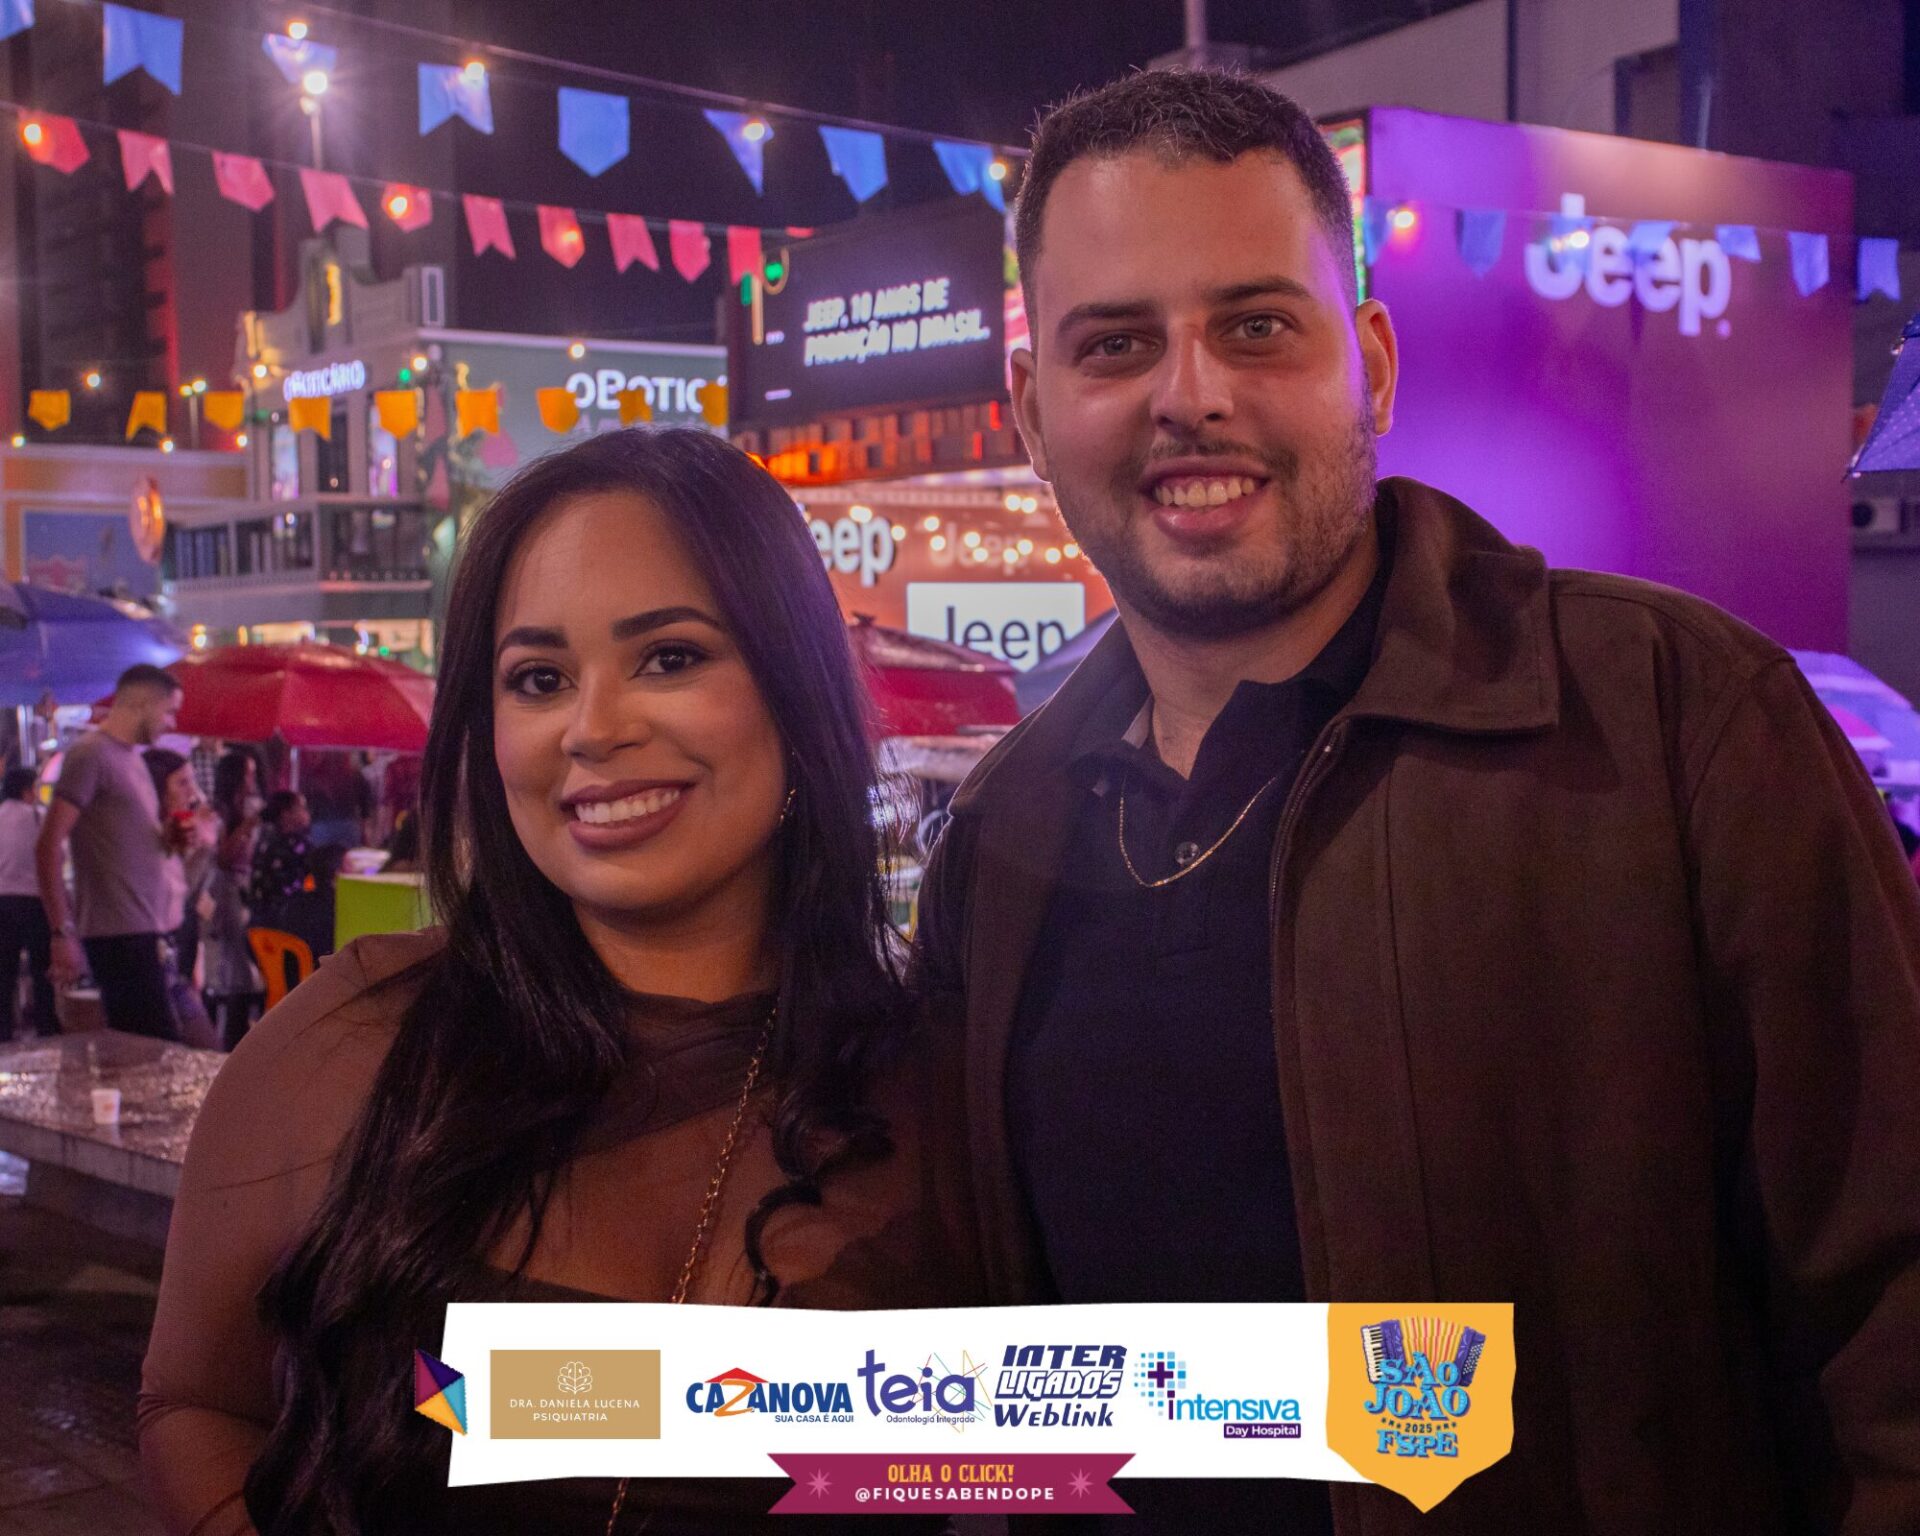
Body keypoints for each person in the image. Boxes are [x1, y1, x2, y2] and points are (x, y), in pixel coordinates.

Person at [912, 71, 1920, 1535]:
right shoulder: (998, 845)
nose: (1190, 394)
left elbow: (1897, 1325)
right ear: (1031, 412)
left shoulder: (1678, 724)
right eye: (1116, 343)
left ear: (1372, 367)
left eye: (1257, 325)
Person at [140, 429, 945, 1535]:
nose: (593, 729)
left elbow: (1096, 1442)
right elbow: (196, 1402)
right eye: (539, 679)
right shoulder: (355, 1043)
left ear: (795, 690)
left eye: (670, 657)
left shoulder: (942, 1090)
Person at [37, 663, 185, 1039]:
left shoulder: (132, 758)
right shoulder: (90, 754)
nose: (171, 723)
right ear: (141, 704)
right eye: (168, 711)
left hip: (144, 928)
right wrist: (61, 932)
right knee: (153, 1049)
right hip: (116, 933)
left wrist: (169, 837)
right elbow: (48, 845)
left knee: (150, 1048)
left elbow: (128, 841)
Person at [145, 749, 219, 1049]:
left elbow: (183, 890)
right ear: (157, 787)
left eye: (193, 781)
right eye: (182, 783)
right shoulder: (147, 831)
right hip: (151, 956)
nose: (193, 792)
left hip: (174, 956)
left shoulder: (174, 829)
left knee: (202, 1047)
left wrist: (204, 847)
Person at [204, 749, 264, 1049]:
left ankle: (236, 1033)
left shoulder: (248, 807)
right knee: (236, 963)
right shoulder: (219, 812)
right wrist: (246, 827)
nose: (253, 778)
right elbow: (223, 858)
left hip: (244, 887)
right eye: (248, 773)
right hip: (226, 890)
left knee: (242, 962)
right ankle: (231, 1038)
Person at [0, 766, 57, 1038]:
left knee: (4, 971)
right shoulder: (38, 817)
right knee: (41, 968)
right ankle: (46, 1026)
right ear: (26, 791)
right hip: (34, 901)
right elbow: (55, 855)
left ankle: (4, 1030)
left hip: (2, 901)